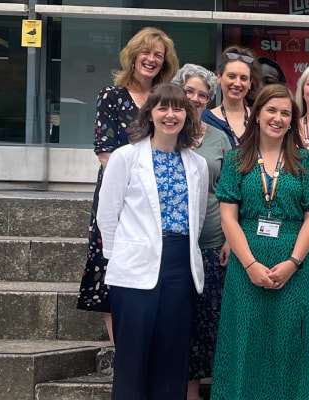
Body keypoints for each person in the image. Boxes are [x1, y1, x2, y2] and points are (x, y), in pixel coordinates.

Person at [211, 84, 309, 400]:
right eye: (271, 110)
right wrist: (249, 264)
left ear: (293, 121)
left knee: (288, 343)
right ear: (257, 114)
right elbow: (228, 218)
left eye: (285, 113)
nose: (277, 118)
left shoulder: (306, 161)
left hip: (293, 268)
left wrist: (293, 263)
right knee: (244, 341)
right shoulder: (236, 159)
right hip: (246, 266)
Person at [98, 83, 208, 400]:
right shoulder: (126, 157)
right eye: (162, 108)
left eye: (177, 109)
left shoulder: (197, 165)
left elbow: (197, 217)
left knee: (172, 358)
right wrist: (116, 259)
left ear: (187, 116)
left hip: (179, 266)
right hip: (133, 269)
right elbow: (107, 214)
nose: (170, 115)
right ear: (151, 114)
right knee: (132, 360)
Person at [77, 26, 179, 340]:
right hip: (120, 197)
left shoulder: (165, 98)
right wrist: (138, 189)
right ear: (132, 56)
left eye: (158, 55)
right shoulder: (112, 96)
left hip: (161, 199)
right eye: (145, 52)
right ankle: (121, 351)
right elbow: (106, 153)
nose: (151, 59)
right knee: (114, 271)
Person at [173, 64, 232, 400]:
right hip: (175, 245)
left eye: (203, 95)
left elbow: (228, 193)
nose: (195, 99)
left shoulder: (219, 138)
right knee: (180, 320)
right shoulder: (166, 131)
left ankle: (200, 388)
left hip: (211, 241)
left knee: (208, 321)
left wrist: (227, 237)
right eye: (190, 91)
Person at [204, 46, 259, 147]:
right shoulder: (204, 119)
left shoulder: (258, 119)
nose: (237, 83)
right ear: (219, 77)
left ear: (250, 83)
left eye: (243, 78)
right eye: (231, 76)